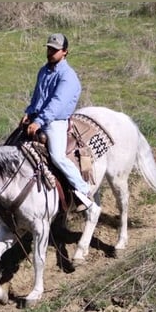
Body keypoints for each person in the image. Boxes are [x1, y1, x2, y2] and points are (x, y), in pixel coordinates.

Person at [21, 33, 95, 210]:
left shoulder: (68, 76)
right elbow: (38, 97)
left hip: (56, 122)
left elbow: (57, 103)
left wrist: (39, 121)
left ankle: (83, 190)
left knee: (57, 156)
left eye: (55, 50)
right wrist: (29, 112)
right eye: (49, 48)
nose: (50, 52)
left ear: (65, 52)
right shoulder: (44, 71)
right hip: (39, 118)